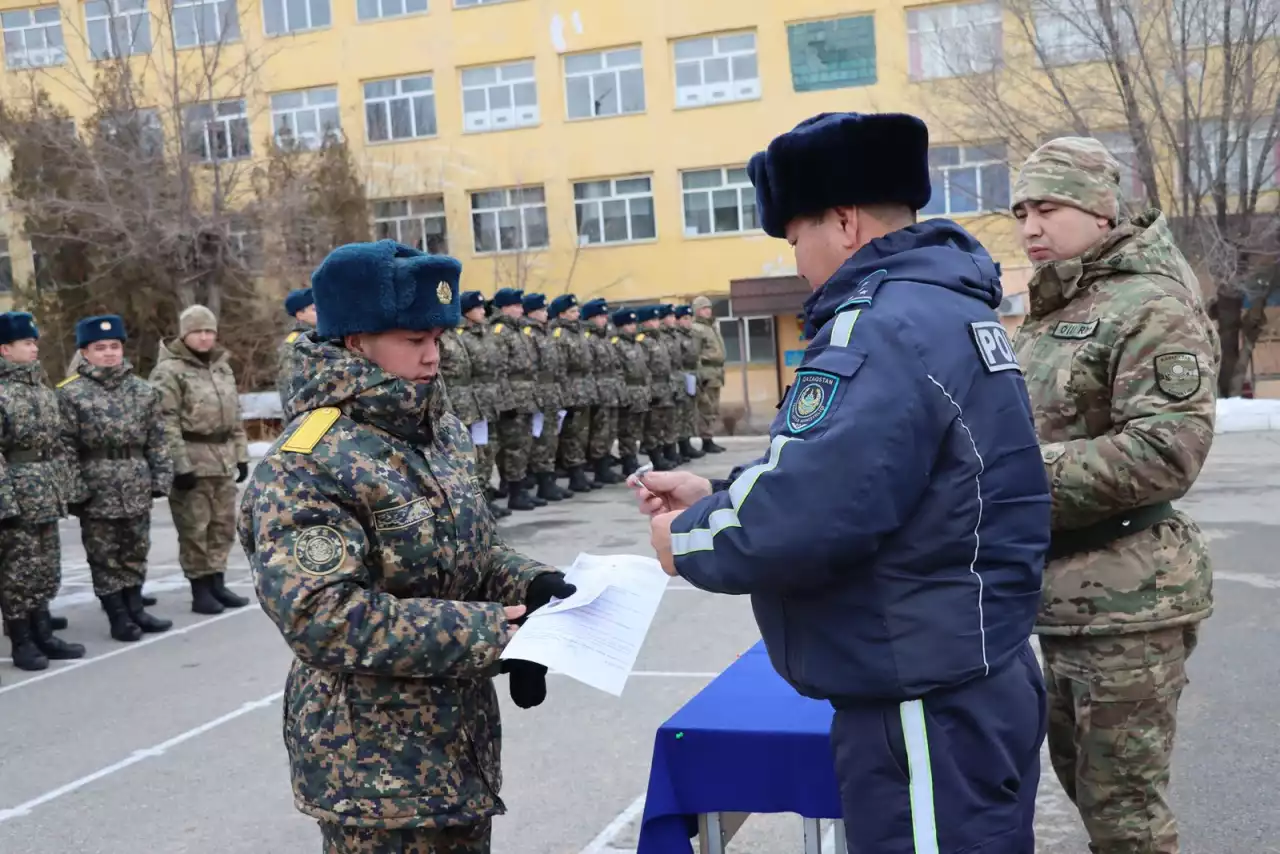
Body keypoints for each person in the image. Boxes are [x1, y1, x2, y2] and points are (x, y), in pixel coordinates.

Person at [633, 112, 1052, 854]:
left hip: (924, 699)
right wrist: (719, 493)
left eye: (796, 240)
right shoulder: (952, 308)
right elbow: (882, 475)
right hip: (974, 673)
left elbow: (804, 513)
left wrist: (685, 540)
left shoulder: (879, 326)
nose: (797, 262)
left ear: (845, 221)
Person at [237, 239, 575, 854]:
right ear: (355, 340)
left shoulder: (434, 430)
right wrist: (493, 633)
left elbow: (467, 551)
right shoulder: (310, 461)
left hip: (457, 748)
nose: (431, 358)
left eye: (437, 340)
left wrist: (528, 583)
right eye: (412, 341)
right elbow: (325, 618)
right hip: (372, 771)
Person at [1009, 137, 1219, 854]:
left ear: (1101, 211)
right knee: (1086, 788)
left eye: (1048, 208)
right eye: (1022, 212)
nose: (1031, 228)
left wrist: (1013, 478)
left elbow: (1167, 450)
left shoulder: (1149, 304)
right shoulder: (1058, 305)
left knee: (1125, 816)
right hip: (1069, 599)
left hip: (1131, 602)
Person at [58, 314, 174, 642]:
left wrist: (161, 476)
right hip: (97, 485)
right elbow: (64, 446)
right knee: (104, 553)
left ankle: (136, 607)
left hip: (135, 477)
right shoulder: (70, 394)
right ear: (85, 352)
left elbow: (157, 437)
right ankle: (118, 616)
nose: (109, 353)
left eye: (114, 346)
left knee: (136, 546)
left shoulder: (142, 390)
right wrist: (74, 488)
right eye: (100, 347)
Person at [150, 305, 252, 615]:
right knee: (195, 527)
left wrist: (241, 454)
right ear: (185, 335)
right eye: (198, 332)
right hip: (192, 458)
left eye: (209, 331)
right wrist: (179, 465)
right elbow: (165, 421)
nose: (205, 338)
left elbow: (234, 415)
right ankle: (200, 588)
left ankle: (218, 581)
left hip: (221, 458)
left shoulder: (221, 367)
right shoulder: (169, 372)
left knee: (222, 525)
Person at [0, 311, 85, 671]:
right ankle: (22, 640)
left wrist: (65, 487)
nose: (34, 348)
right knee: (17, 569)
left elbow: (58, 443)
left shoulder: (42, 389)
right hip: (17, 492)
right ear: (5, 349)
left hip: (46, 491)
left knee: (46, 566)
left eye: (35, 342)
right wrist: (5, 502)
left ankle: (44, 632)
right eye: (26, 343)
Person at [440, 302, 510, 520]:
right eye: (477, 308)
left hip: (473, 401)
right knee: (464, 455)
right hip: (455, 402)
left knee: (483, 451)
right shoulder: (444, 336)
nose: (483, 312)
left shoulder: (456, 334)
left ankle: (483, 498)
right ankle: (473, 505)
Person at [490, 288, 543, 512]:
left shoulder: (520, 330)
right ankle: (514, 491)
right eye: (516, 306)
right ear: (504, 308)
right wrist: (507, 402)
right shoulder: (500, 331)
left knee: (523, 444)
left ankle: (520, 488)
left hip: (527, 395)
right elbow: (498, 370)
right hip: (513, 396)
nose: (521, 309)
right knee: (513, 446)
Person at [522, 292, 572, 503]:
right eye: (541, 310)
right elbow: (527, 367)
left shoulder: (545, 332)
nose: (545, 314)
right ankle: (541, 482)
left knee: (551, 438)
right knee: (540, 440)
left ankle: (548, 481)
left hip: (551, 391)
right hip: (538, 392)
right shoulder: (527, 333)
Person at [550, 293, 601, 493]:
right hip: (571, 390)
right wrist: (565, 397)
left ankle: (579, 472)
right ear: (562, 314)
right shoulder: (559, 334)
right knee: (571, 435)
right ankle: (574, 474)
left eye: (577, 310)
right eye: (572, 311)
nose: (577, 314)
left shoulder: (578, 332)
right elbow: (559, 368)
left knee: (582, 433)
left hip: (584, 389)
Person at [582, 298, 624, 485]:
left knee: (609, 431)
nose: (604, 319)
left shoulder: (604, 338)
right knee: (599, 432)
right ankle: (599, 468)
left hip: (611, 391)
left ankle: (605, 464)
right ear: (590, 318)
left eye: (605, 315)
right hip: (599, 391)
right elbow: (587, 369)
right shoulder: (588, 339)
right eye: (600, 316)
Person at [636, 306, 676, 472]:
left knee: (664, 423)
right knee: (652, 425)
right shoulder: (642, 341)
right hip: (653, 387)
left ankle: (666, 453)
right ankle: (656, 457)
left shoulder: (659, 339)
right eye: (652, 320)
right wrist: (650, 391)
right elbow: (644, 368)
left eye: (656, 320)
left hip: (664, 385)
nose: (656, 323)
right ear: (644, 322)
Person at [612, 308, 650, 478]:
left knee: (635, 428)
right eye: (628, 324)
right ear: (620, 326)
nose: (633, 327)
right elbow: (617, 372)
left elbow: (644, 369)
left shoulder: (636, 343)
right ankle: (627, 459)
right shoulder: (616, 344)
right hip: (628, 391)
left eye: (634, 323)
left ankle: (632, 457)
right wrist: (623, 394)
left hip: (640, 391)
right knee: (626, 429)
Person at [690, 295, 727, 453]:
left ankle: (709, 436)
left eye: (709, 308)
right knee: (706, 408)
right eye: (704, 308)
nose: (708, 311)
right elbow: (695, 354)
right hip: (706, 372)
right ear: (697, 311)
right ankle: (706, 439)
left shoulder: (711, 326)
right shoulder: (696, 329)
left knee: (714, 408)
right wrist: (699, 376)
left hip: (716, 373)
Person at [277, 287, 316, 420]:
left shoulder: (321, 338)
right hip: (305, 418)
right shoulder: (293, 345)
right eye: (315, 310)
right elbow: (287, 387)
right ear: (300, 314)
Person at [672, 305, 704, 461]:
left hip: (691, 376)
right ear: (677, 320)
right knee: (681, 413)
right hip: (681, 376)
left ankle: (687, 442)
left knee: (690, 412)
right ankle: (682, 444)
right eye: (685, 318)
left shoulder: (692, 336)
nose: (688, 321)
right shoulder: (676, 337)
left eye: (690, 318)